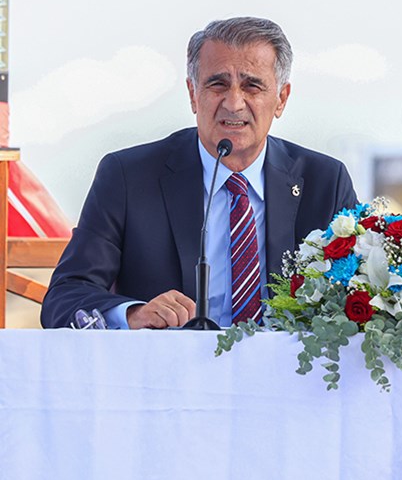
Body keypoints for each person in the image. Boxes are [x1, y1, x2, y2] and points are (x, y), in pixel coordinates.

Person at [41, 17, 358, 329]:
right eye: (217, 84)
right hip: (166, 374)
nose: (234, 103)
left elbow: (361, 301)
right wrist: (134, 315)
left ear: (281, 99)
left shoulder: (325, 183)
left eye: (252, 85)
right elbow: (65, 298)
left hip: (287, 375)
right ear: (193, 94)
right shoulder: (128, 177)